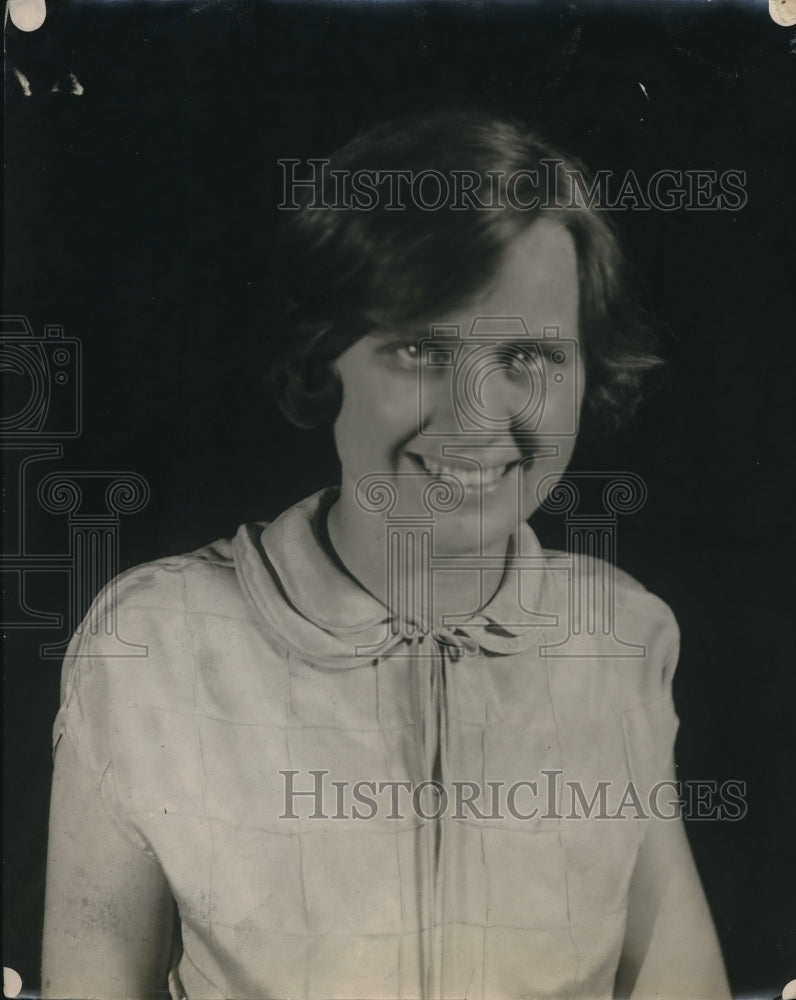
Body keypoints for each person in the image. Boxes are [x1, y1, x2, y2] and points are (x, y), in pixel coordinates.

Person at [41, 111, 731, 1000]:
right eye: (421, 348)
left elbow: (679, 978)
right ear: (322, 364)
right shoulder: (152, 646)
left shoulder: (626, 635)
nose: (479, 419)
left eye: (527, 356)